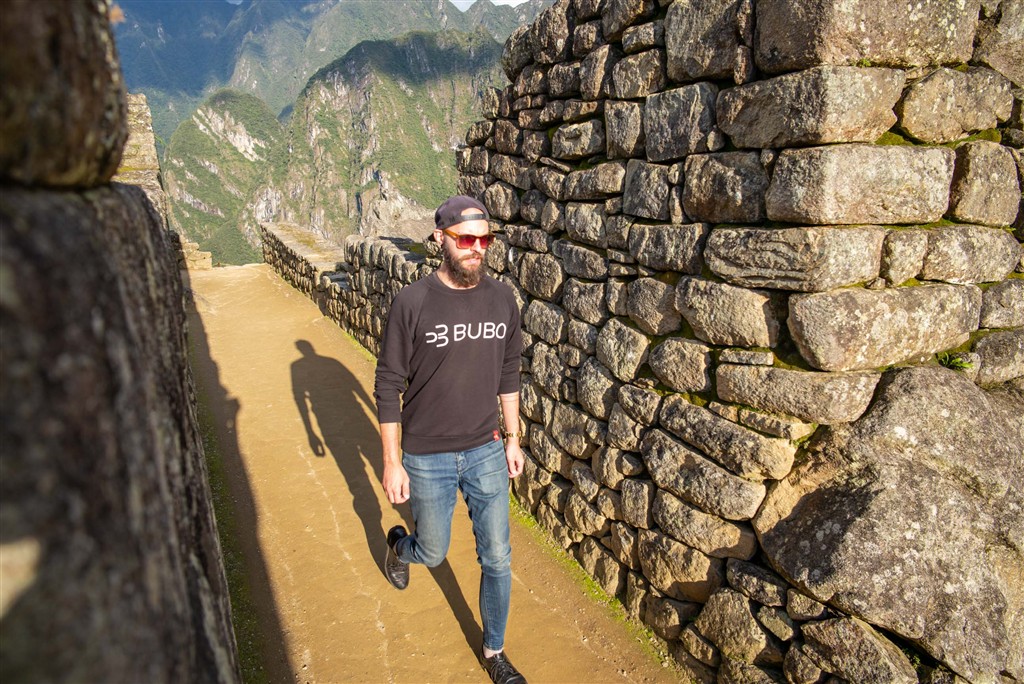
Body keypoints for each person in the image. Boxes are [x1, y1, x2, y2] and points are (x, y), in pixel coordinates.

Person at [374, 195, 527, 684]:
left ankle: (494, 651)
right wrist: (392, 461)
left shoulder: (502, 300)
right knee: (433, 551)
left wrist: (512, 438)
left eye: (485, 239)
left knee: (497, 556)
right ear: (440, 238)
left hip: (486, 449)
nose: (477, 248)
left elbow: (508, 373)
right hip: (427, 455)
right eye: (466, 239)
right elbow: (388, 384)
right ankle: (400, 547)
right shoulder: (412, 303)